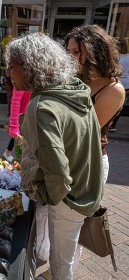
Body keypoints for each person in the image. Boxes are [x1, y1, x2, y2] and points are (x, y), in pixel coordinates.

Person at [6, 33, 104, 280]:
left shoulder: (42, 106)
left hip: (68, 201)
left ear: (29, 67)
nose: (8, 72)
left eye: (12, 66)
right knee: (64, 259)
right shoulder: (76, 91)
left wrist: (46, 197)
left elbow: (58, 174)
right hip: (84, 189)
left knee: (61, 267)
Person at [65, 25, 125, 183]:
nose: (71, 58)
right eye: (68, 52)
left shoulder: (113, 89)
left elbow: (84, 131)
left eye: (76, 52)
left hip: (88, 165)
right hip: (65, 159)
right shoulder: (77, 79)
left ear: (95, 52)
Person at [3, 87, 30, 162]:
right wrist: (14, 124)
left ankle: (8, 152)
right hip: (22, 113)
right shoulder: (23, 79)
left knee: (20, 138)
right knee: (20, 139)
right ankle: (10, 154)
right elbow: (16, 100)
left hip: (28, 113)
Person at [110, 39, 129, 131]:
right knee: (121, 104)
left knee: (113, 103)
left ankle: (111, 123)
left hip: (117, 81)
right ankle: (114, 124)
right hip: (127, 82)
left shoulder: (116, 57)